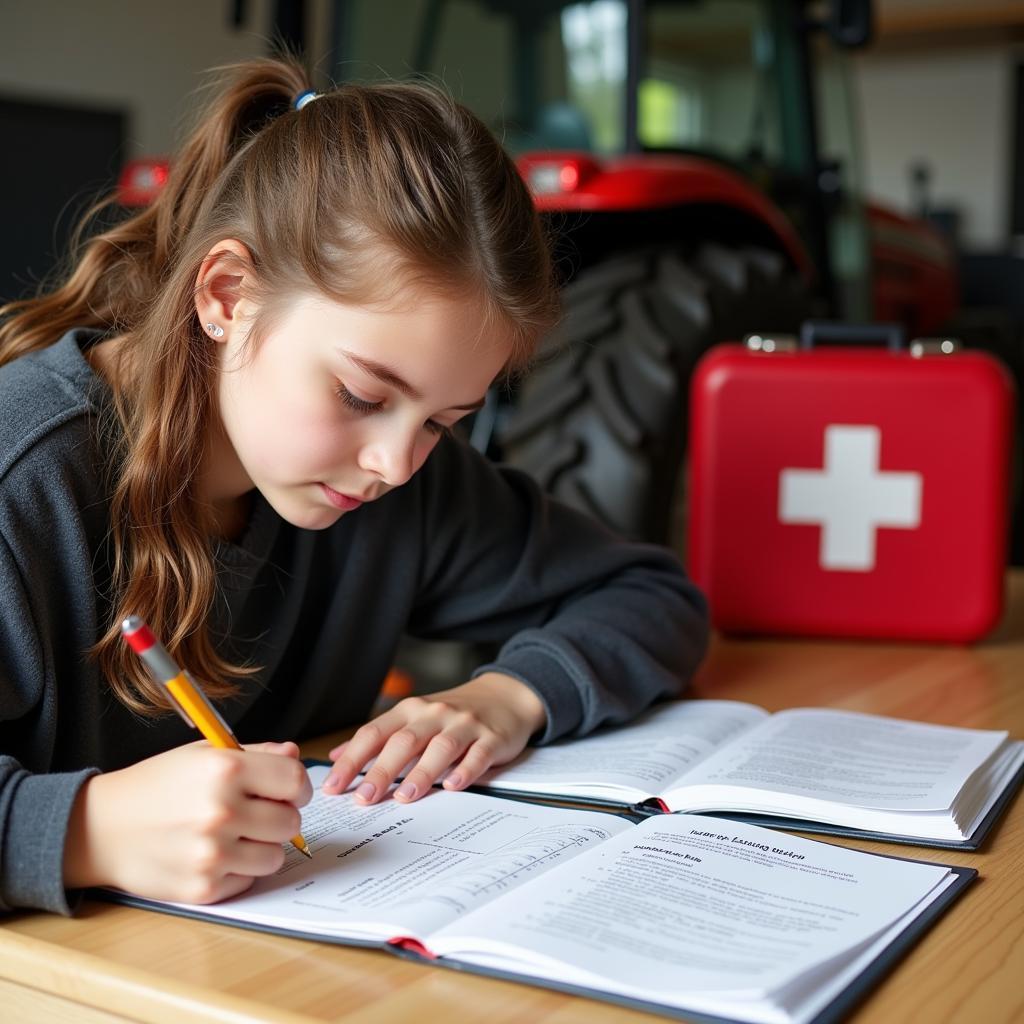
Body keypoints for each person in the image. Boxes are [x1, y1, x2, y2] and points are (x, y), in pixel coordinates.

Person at [0, 57, 709, 916]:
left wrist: (508, 697)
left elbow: (648, 593)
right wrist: (84, 833)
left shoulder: (399, 481)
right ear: (227, 295)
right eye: (361, 396)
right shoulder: (24, 478)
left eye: (445, 420)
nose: (397, 463)